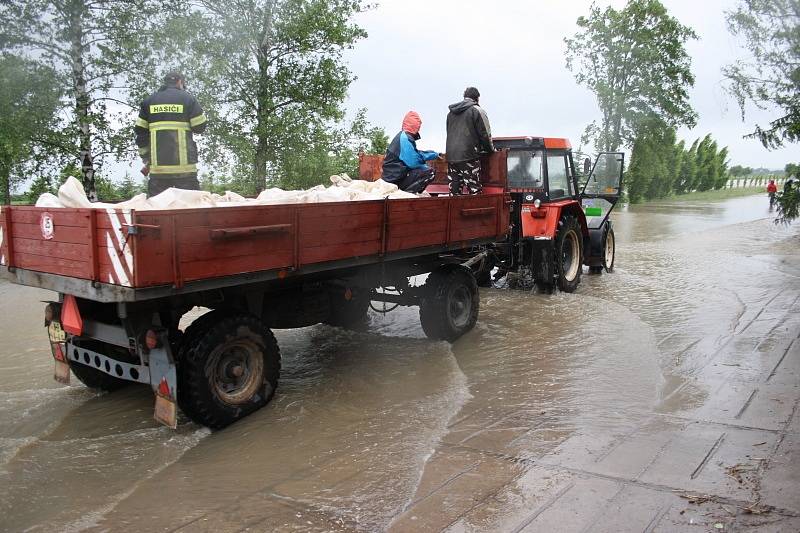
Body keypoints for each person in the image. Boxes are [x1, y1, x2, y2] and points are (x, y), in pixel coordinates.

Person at [134, 71, 207, 197]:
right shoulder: (188, 99)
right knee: (190, 210)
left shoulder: (149, 101)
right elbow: (199, 127)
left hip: (158, 172)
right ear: (180, 82)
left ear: (166, 82)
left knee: (158, 211)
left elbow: (140, 133)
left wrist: (146, 157)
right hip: (185, 171)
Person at [445, 86, 494, 195]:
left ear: (464, 97)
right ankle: (476, 211)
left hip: (451, 156)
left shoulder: (450, 114)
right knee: (474, 190)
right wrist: (490, 150)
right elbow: (485, 134)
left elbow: (449, 132)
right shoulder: (477, 110)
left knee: (454, 191)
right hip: (469, 156)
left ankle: (453, 212)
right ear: (477, 98)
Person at [381, 111, 439, 193]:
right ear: (415, 126)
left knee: (424, 168)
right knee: (429, 172)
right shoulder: (404, 139)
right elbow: (413, 162)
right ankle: (405, 195)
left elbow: (413, 154)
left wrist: (430, 153)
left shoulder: (402, 136)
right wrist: (430, 157)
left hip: (393, 177)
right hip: (394, 180)